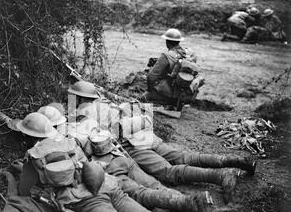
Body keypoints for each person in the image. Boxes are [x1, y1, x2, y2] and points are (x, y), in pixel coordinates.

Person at [11, 112, 241, 212]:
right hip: (109, 185)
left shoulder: (33, 155)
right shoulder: (69, 141)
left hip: (85, 201)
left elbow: (24, 191)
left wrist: (21, 170)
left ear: (28, 135)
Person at [66, 84, 257, 202]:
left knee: (168, 172)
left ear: (81, 98)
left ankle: (221, 177)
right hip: (146, 135)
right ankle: (234, 160)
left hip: (132, 145)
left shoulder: (86, 113)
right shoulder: (107, 101)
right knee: (185, 157)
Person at [39, 105, 217, 212]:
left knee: (142, 195)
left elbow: (82, 168)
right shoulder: (88, 122)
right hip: (122, 157)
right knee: (156, 186)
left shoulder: (64, 141)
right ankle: (196, 205)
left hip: (109, 169)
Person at [140, 28, 203, 110]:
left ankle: (166, 102)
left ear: (167, 42)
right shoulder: (188, 54)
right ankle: (176, 103)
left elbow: (151, 77)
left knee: (143, 98)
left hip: (170, 94)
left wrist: (151, 90)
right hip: (184, 95)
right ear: (179, 41)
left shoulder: (167, 56)